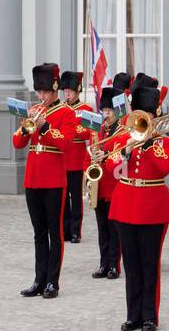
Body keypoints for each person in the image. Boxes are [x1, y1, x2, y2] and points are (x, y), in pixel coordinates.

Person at [109, 75, 169, 331]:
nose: (142, 119)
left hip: (152, 207)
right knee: (131, 264)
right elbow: (114, 170)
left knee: (150, 264)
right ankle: (132, 314)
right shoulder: (123, 138)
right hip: (126, 204)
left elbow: (165, 167)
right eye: (139, 114)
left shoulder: (164, 140)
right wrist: (125, 151)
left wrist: (149, 144)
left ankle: (150, 315)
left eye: (146, 114)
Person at [13, 64, 76, 298]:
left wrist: (46, 126)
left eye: (45, 92)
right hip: (33, 178)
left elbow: (67, 144)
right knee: (38, 232)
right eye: (39, 92)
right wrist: (26, 129)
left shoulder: (66, 113)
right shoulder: (35, 109)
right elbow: (17, 143)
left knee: (54, 232)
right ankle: (39, 279)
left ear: (55, 89)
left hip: (54, 180)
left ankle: (52, 281)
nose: (41, 96)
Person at [90, 77, 130, 279]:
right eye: (103, 111)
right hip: (100, 184)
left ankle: (114, 264)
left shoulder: (123, 134)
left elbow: (120, 162)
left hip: (114, 185)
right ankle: (103, 263)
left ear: (117, 111)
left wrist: (103, 157)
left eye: (108, 111)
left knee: (114, 228)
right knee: (102, 227)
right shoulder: (99, 131)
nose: (105, 115)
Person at [61, 70, 90, 244]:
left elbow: (88, 132)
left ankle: (75, 231)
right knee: (63, 197)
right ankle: (64, 229)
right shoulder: (61, 108)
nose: (67, 94)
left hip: (77, 159)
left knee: (76, 197)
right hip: (62, 159)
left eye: (70, 92)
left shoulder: (85, 109)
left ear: (77, 91)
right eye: (65, 92)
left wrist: (72, 131)